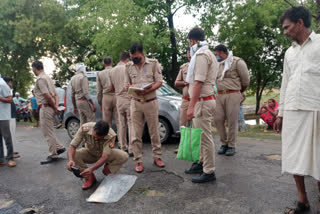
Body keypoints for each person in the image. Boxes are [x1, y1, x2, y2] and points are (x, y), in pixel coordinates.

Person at [274, 6, 320, 214]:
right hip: (292, 110)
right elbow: (285, 83)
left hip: (315, 108)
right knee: (293, 157)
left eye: (287, 27)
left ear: (300, 23)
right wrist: (280, 113)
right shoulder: (289, 53)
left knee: (318, 158)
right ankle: (303, 201)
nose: (285, 32)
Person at [184, 27, 218, 183]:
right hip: (204, 100)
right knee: (201, 136)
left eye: (189, 41)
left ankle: (209, 171)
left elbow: (198, 82)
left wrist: (191, 106)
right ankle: (201, 163)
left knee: (205, 138)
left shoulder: (202, 55)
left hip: (202, 101)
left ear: (193, 41)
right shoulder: (207, 53)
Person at [125, 42, 165, 173]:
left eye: (136, 57)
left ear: (142, 54)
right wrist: (129, 88)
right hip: (135, 103)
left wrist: (148, 90)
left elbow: (159, 82)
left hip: (150, 101)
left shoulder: (153, 64)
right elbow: (127, 84)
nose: (134, 59)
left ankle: (157, 157)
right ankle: (138, 160)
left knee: (154, 131)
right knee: (136, 134)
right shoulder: (128, 66)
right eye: (132, 57)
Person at [66, 120, 129, 190]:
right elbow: (72, 146)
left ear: (105, 135)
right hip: (90, 153)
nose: (96, 139)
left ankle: (108, 170)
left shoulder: (111, 136)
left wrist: (92, 169)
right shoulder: (84, 129)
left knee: (124, 156)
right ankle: (89, 177)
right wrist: (70, 160)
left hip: (104, 154)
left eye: (99, 138)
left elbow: (105, 156)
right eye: (94, 136)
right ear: (93, 129)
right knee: (73, 155)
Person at [213, 44, 250, 156]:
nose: (216, 56)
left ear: (223, 53)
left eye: (217, 54)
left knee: (232, 120)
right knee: (217, 119)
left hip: (233, 93)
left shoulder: (237, 62)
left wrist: (238, 92)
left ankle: (231, 145)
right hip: (219, 95)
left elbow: (246, 80)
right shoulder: (217, 64)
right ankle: (224, 143)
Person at [32, 60, 66, 164]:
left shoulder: (40, 79)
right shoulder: (48, 78)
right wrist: (55, 106)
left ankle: (53, 154)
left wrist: (54, 107)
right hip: (49, 106)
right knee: (49, 130)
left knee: (47, 132)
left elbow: (46, 95)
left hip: (46, 107)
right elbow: (55, 94)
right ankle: (59, 147)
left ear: (34, 68)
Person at [109, 52, 133, 156]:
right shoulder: (128, 68)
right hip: (128, 98)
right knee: (131, 124)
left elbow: (111, 88)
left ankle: (123, 146)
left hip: (118, 99)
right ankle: (132, 148)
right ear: (127, 59)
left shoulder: (112, 70)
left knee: (121, 124)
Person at [174, 47, 191, 153]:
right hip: (186, 100)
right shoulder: (184, 67)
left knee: (197, 124)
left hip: (198, 100)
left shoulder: (201, 65)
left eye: (191, 55)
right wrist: (185, 83)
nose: (189, 57)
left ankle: (195, 147)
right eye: (188, 55)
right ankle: (183, 147)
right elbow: (176, 82)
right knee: (183, 124)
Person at [96, 57, 118, 130]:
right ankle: (121, 140)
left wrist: (100, 103)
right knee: (119, 121)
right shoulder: (116, 70)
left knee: (106, 122)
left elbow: (99, 91)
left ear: (104, 64)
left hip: (106, 97)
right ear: (112, 63)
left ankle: (109, 140)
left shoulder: (100, 74)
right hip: (116, 96)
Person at [0, 74, 16, 167]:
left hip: (3, 116)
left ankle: (10, 158)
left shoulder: (2, 84)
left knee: (7, 137)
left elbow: (10, 100)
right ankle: (1, 159)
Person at [2, 77, 20, 159]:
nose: (11, 84)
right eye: (10, 83)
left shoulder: (6, 90)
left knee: (11, 134)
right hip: (8, 116)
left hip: (11, 115)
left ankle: (12, 151)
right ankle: (9, 153)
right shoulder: (4, 88)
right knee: (9, 135)